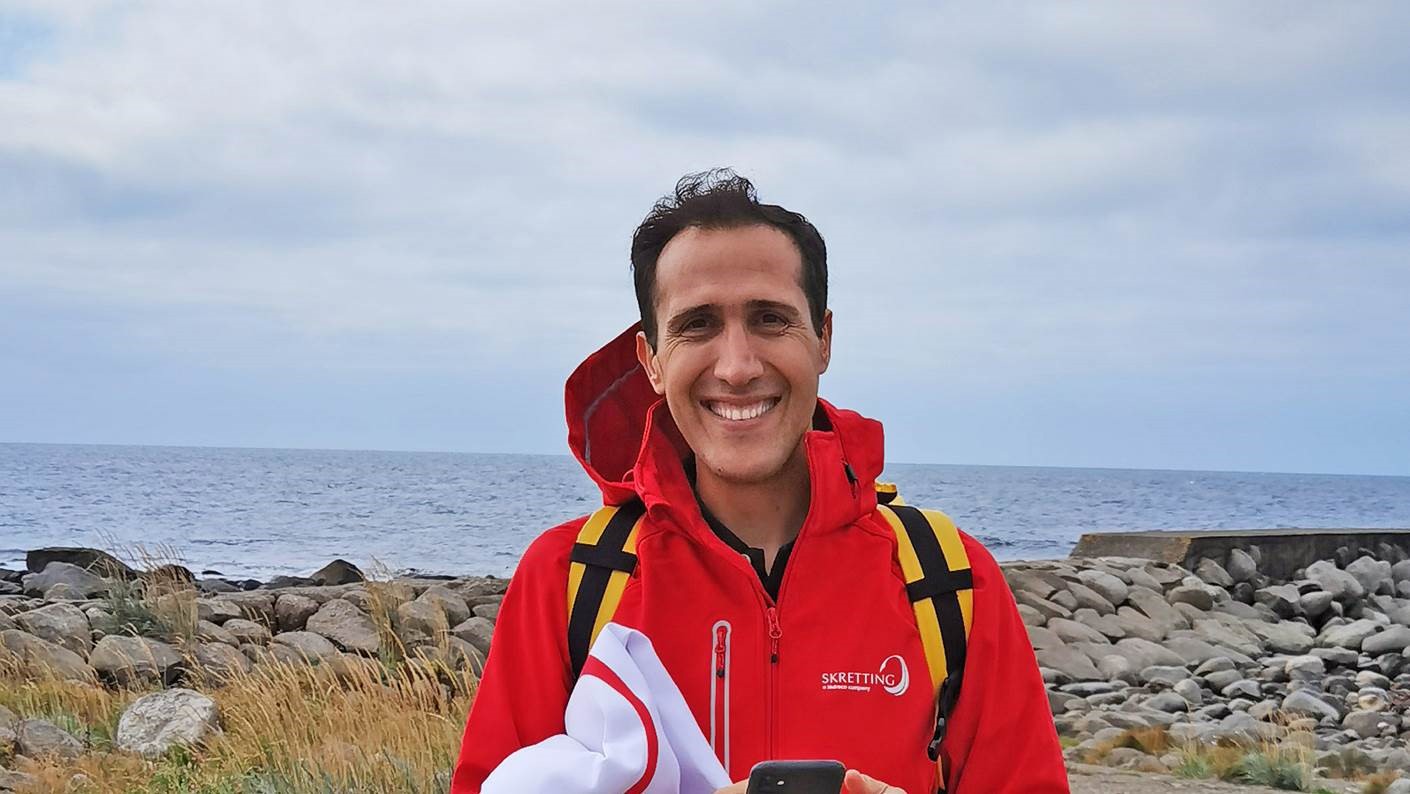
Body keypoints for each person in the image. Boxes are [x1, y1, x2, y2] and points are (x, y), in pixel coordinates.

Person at [450, 169, 1067, 793]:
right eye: (697, 324)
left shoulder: (946, 580)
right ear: (652, 361)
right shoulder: (572, 580)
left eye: (771, 319)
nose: (738, 366)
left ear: (823, 340)